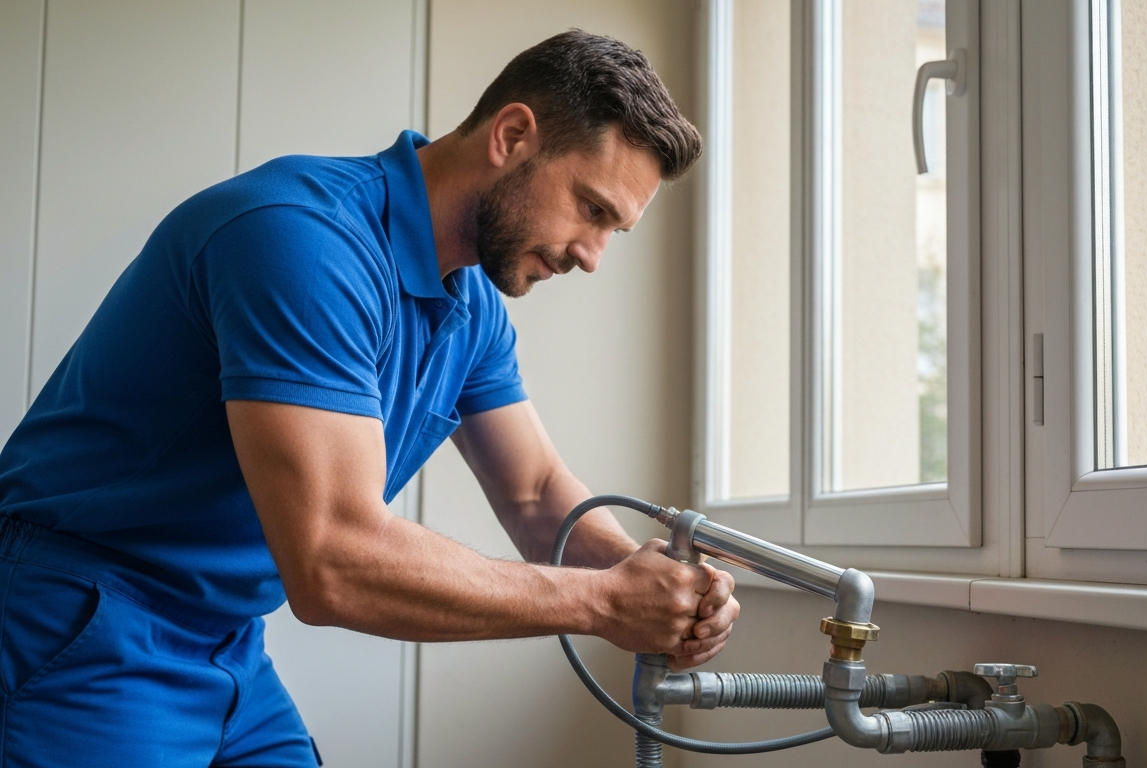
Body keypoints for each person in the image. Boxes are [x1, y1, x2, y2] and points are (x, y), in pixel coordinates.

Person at [0, 30, 737, 767]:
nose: (591, 256)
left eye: (613, 231)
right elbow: (334, 560)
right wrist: (606, 602)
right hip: (82, 613)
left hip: (227, 641)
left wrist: (657, 586)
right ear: (512, 136)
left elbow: (537, 492)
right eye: (591, 209)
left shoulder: (472, 305)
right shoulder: (301, 240)